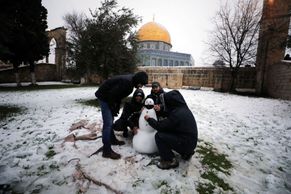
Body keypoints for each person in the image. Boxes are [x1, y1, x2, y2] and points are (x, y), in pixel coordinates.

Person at [95, 71, 148, 160]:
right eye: (141, 84)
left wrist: (116, 108)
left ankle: (112, 139)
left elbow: (118, 96)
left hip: (109, 97)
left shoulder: (130, 83)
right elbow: (112, 95)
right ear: (138, 80)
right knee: (108, 123)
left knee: (110, 119)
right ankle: (106, 151)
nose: (141, 86)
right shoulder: (127, 83)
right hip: (104, 97)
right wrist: (112, 108)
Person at [144, 90, 198, 169]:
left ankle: (169, 160)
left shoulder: (178, 114)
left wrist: (149, 119)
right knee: (168, 131)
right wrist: (161, 109)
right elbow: (171, 115)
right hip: (190, 142)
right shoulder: (182, 109)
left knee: (159, 136)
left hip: (186, 143)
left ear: (171, 102)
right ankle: (186, 153)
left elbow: (160, 126)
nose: (165, 103)